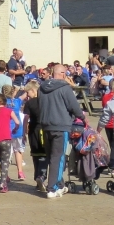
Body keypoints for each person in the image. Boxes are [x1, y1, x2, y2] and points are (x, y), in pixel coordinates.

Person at [37, 65, 85, 199]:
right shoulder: (65, 88)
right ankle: (52, 188)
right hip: (61, 126)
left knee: (52, 156)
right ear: (63, 74)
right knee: (58, 157)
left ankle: (59, 184)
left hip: (46, 125)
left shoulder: (41, 88)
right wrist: (82, 117)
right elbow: (74, 107)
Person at [20, 81, 45, 191]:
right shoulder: (45, 101)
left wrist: (24, 131)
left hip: (33, 131)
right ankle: (42, 176)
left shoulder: (29, 104)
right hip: (44, 130)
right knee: (44, 154)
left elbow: (26, 118)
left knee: (35, 155)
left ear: (34, 91)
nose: (27, 95)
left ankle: (37, 177)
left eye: (28, 92)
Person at [3, 84, 26, 181]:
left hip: (6, 130)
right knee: (18, 151)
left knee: (7, 153)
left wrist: (14, 91)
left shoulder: (2, 103)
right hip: (18, 130)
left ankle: (6, 174)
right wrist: (22, 89)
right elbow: (24, 95)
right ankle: (20, 172)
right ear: (13, 92)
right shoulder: (17, 102)